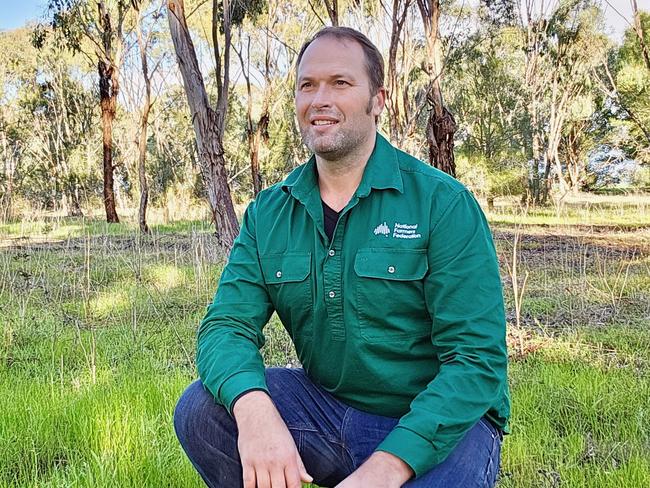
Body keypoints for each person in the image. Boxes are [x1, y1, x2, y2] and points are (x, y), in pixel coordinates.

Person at [174, 26, 510, 488]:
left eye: (340, 83)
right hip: (327, 411)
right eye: (307, 85)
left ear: (379, 100)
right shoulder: (270, 213)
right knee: (202, 410)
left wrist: (386, 468)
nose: (319, 99)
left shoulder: (442, 204)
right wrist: (254, 412)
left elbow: (476, 362)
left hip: (441, 421)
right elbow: (225, 327)